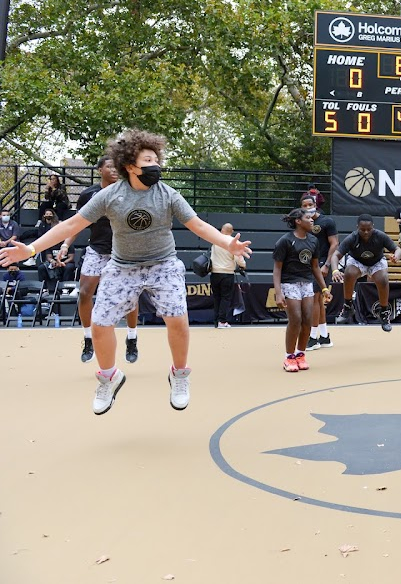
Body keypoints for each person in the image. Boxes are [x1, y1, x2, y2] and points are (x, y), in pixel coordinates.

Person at [0, 129, 252, 414]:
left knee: (178, 320)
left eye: (157, 159)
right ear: (130, 165)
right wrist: (30, 250)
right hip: (122, 266)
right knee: (100, 323)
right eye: (148, 159)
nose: (155, 164)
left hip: (163, 264)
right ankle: (109, 377)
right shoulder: (110, 196)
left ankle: (179, 375)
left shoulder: (168, 194)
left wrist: (227, 243)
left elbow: (198, 225)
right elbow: (71, 226)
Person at [59, 157, 141, 364]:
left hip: (123, 252)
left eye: (116, 166)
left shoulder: (129, 191)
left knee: (130, 296)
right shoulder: (89, 195)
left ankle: (131, 338)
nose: (114, 170)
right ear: (99, 170)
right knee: (85, 292)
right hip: (97, 250)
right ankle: (88, 338)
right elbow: (76, 224)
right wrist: (65, 245)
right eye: (109, 166)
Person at [273, 208, 330, 372]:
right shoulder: (285, 241)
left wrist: (324, 288)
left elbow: (315, 267)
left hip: (307, 283)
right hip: (289, 283)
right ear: (298, 221)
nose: (312, 220)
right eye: (308, 218)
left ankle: (301, 354)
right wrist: (278, 292)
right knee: (296, 319)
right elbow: (277, 269)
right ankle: (289, 357)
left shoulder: (313, 241)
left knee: (307, 319)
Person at [329, 214, 401, 332]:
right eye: (362, 229)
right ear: (357, 227)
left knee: (383, 279)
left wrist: (396, 257)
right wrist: (335, 270)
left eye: (369, 229)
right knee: (349, 273)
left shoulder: (380, 236)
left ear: (373, 227)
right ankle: (348, 306)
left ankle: (384, 313)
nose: (365, 232)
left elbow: (398, 249)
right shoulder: (352, 238)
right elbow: (335, 256)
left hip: (376, 261)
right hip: (358, 262)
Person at [305, 206, 339, 350]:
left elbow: (335, 243)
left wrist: (326, 264)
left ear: (315, 205)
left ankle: (312, 338)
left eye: (309, 204)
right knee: (318, 300)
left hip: (322, 263)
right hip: (310, 263)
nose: (307, 207)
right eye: (304, 205)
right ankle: (324, 337)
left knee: (314, 299)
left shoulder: (327, 221)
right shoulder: (304, 222)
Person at [210, 222, 246, 328]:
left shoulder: (216, 242)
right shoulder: (233, 241)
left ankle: (216, 321)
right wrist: (243, 265)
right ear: (232, 231)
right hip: (227, 273)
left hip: (214, 273)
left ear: (222, 230)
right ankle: (222, 321)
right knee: (225, 298)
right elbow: (238, 258)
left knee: (217, 297)